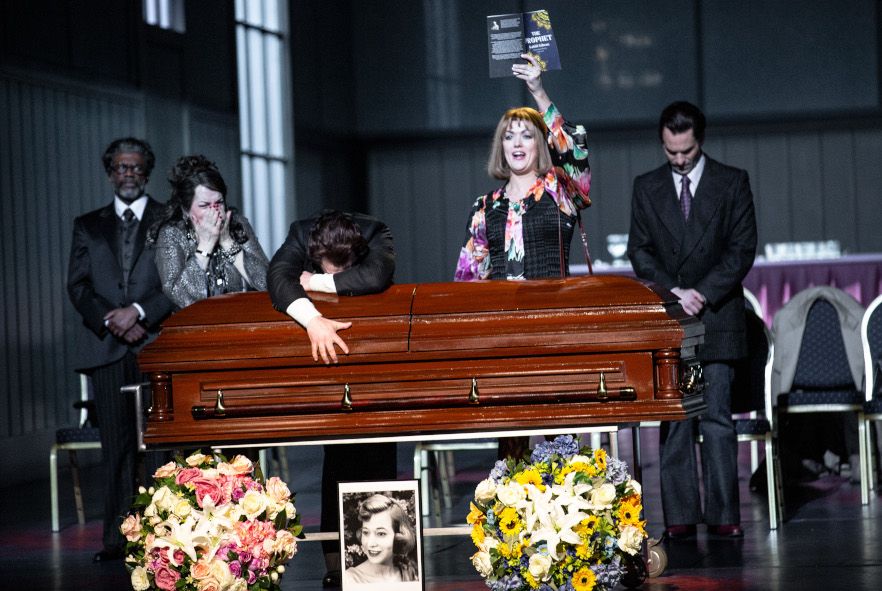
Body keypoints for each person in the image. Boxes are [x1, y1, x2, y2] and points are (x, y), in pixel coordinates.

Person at [627, 101, 758, 539]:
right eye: (671, 152)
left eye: (686, 151)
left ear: (699, 141)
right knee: (678, 416)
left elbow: (742, 248)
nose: (679, 160)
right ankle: (681, 517)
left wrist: (705, 291)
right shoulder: (646, 188)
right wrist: (675, 290)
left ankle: (724, 517)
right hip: (675, 320)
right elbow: (639, 251)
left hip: (717, 318)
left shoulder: (731, 182)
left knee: (717, 417)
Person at [454, 53, 591, 459]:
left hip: (553, 329)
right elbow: (468, 280)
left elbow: (576, 155)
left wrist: (537, 90)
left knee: (558, 433)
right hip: (503, 337)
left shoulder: (561, 191)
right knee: (510, 435)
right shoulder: (484, 206)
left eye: (527, 135)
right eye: (509, 135)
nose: (517, 143)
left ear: (541, 143)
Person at [268, 210, 397, 588]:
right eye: (325, 268)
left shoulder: (375, 230)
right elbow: (277, 278)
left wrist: (320, 282)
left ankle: (381, 572)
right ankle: (338, 567)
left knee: (377, 454)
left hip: (374, 357)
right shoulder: (300, 232)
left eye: (342, 269)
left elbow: (375, 276)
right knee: (336, 459)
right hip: (326, 355)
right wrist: (312, 319)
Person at [67, 137, 176, 562]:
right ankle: (116, 540)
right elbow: (77, 285)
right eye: (120, 167)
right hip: (107, 348)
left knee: (158, 448)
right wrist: (113, 318)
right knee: (115, 449)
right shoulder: (87, 225)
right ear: (109, 171)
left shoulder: (169, 219)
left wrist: (139, 312)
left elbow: (178, 278)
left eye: (135, 167)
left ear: (146, 172)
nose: (127, 174)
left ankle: (163, 537)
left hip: (157, 347)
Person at [148, 155, 268, 309]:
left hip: (241, 323)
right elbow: (180, 297)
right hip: (193, 328)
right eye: (204, 205)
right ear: (186, 210)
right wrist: (206, 245)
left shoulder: (237, 223)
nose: (215, 212)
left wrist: (226, 241)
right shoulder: (171, 233)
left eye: (219, 203)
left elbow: (267, 284)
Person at [344, 494, 418, 585]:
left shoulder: (409, 574)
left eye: (381, 534)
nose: (371, 543)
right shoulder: (350, 579)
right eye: (366, 532)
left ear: (397, 536)